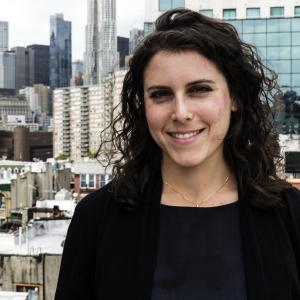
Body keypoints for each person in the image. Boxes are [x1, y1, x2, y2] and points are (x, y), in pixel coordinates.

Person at [55, 8, 300, 300]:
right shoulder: (97, 219)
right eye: (161, 94)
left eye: (199, 90)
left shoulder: (288, 214)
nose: (181, 113)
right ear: (142, 105)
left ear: (234, 97)